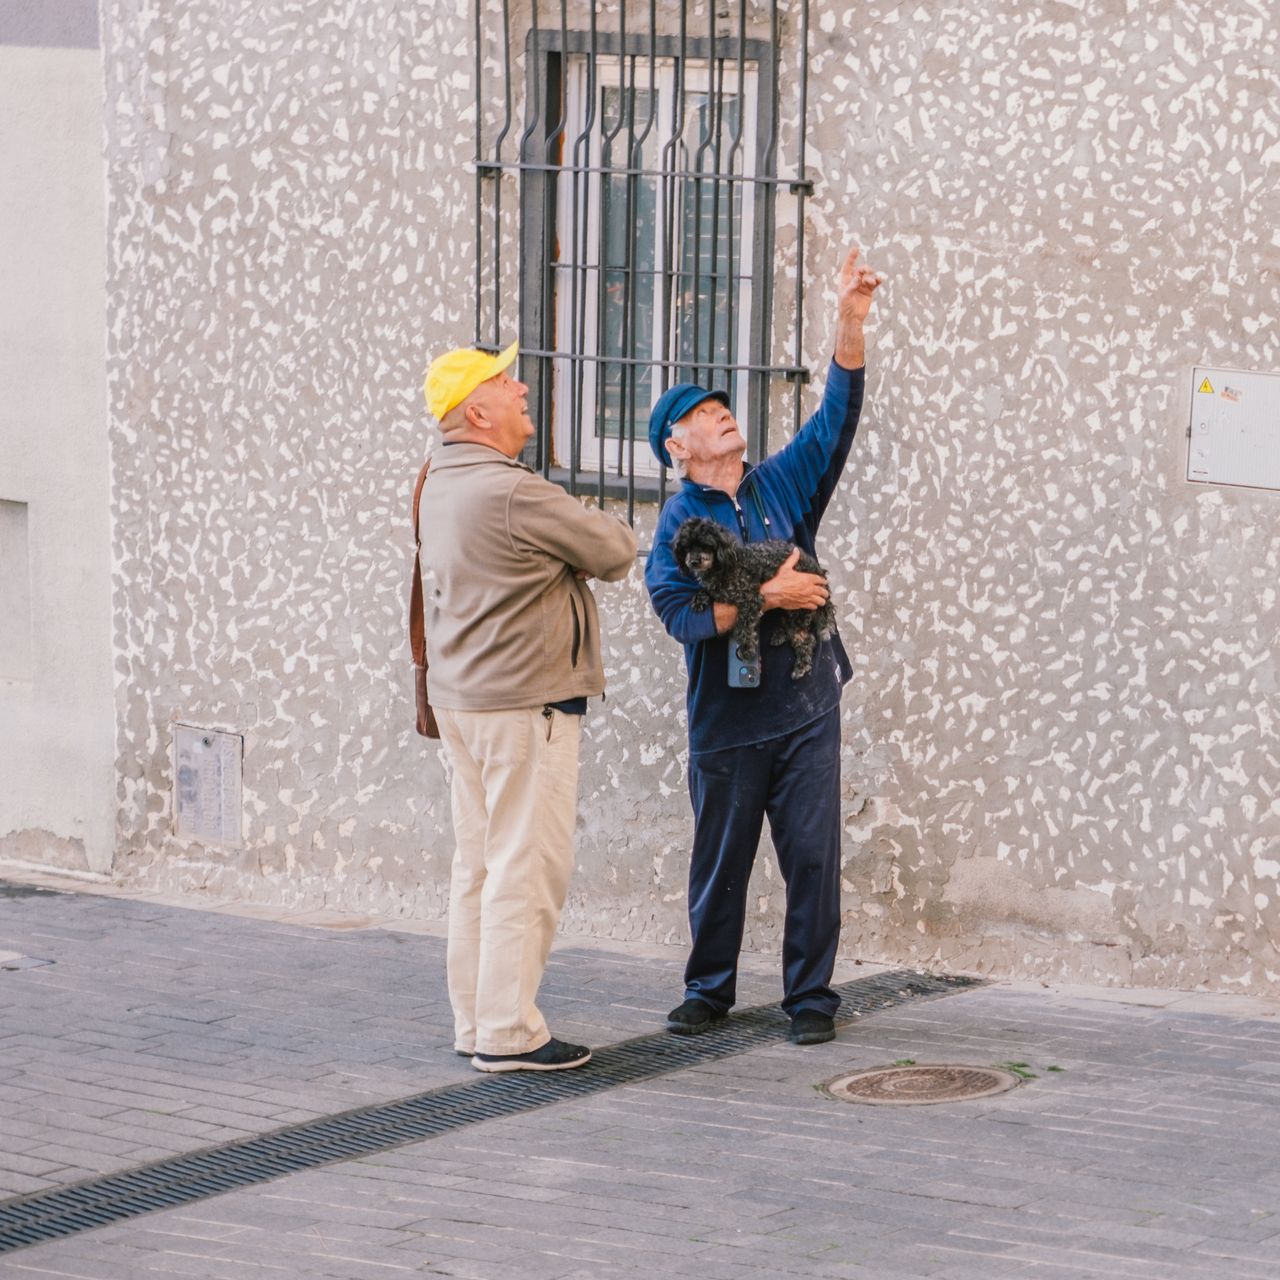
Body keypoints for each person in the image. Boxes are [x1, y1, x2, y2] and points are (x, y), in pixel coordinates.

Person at [644, 247, 885, 1046]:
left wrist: (848, 320)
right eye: (702, 413)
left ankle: (811, 999)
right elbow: (677, 612)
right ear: (677, 447)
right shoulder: (679, 525)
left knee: (812, 859)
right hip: (728, 723)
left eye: (723, 405)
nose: (722, 413)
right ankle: (708, 990)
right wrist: (764, 594)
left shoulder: (780, 482)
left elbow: (836, 418)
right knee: (721, 864)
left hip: (806, 707)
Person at [419, 342, 637, 1072]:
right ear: (475, 411)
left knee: (478, 865)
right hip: (524, 705)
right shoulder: (512, 491)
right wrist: (571, 548)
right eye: (503, 381)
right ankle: (511, 1033)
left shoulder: (440, 482)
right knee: (527, 864)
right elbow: (612, 548)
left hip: (464, 702)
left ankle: (476, 1021)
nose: (521, 387)